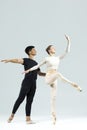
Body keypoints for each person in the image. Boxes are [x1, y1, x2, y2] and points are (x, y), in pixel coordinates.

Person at [23, 35, 82, 124]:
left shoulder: (57, 58)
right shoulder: (46, 58)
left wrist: (68, 41)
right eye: (52, 48)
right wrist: (28, 70)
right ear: (49, 50)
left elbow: (67, 51)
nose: (54, 48)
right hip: (49, 77)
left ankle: (53, 116)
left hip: (55, 78)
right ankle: (73, 84)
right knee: (58, 74)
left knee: (53, 98)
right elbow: (37, 66)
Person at [1, 46, 45, 124]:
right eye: (33, 50)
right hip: (26, 82)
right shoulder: (26, 60)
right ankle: (11, 116)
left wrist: (50, 74)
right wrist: (9, 60)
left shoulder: (36, 63)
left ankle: (28, 119)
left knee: (29, 101)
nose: (35, 50)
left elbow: (39, 73)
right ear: (29, 52)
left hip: (33, 84)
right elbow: (17, 60)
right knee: (20, 99)